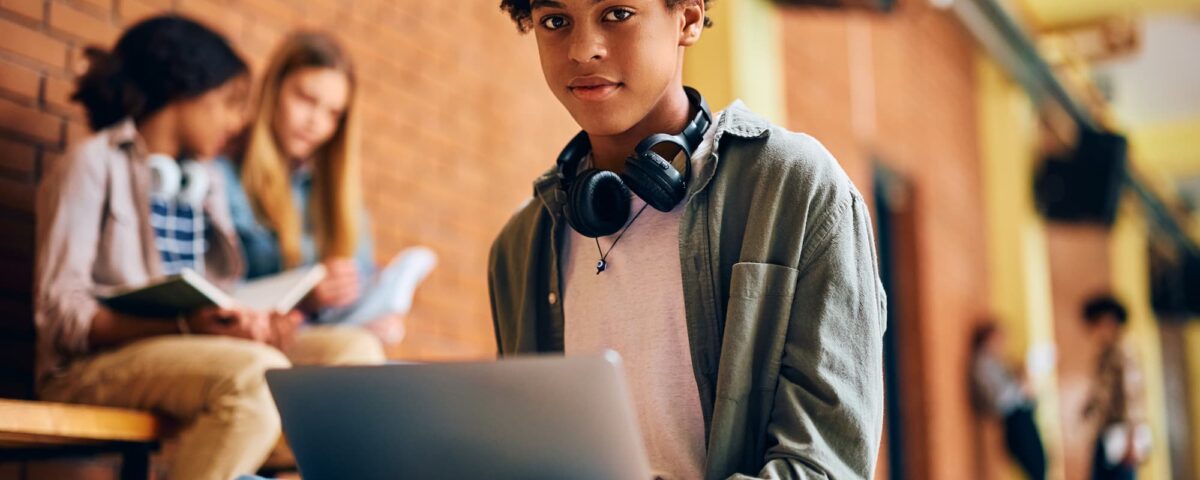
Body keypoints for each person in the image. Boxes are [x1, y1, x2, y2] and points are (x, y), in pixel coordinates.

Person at [487, 1, 887, 478]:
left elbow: (825, 465)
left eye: (616, 14)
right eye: (556, 21)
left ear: (689, 18)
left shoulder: (795, 190)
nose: (583, 49)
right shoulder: (520, 245)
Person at [34, 16, 381, 480]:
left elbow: (217, 292)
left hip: (189, 349)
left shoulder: (207, 181)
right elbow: (61, 315)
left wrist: (251, 320)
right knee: (254, 378)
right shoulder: (92, 165)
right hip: (89, 367)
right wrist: (181, 324)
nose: (237, 120)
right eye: (227, 103)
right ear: (186, 96)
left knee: (354, 358)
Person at [216, 31, 436, 347]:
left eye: (333, 114)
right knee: (355, 351)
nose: (315, 122)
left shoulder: (338, 198)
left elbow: (357, 279)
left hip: (319, 334)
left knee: (369, 349)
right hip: (252, 339)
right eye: (306, 99)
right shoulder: (224, 176)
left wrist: (374, 313)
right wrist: (303, 298)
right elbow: (216, 292)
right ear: (274, 90)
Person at [1082, 295, 1149, 480]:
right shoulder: (1105, 354)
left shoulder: (1123, 352)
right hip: (1106, 434)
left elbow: (1133, 396)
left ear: (1109, 322)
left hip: (1121, 437)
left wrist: (1132, 440)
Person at [970, 322, 1047, 480]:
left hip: (1022, 418)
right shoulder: (983, 364)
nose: (1002, 343)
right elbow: (1001, 399)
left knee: (1040, 466)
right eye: (998, 338)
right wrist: (1020, 386)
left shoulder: (999, 362)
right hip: (1014, 422)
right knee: (1036, 468)